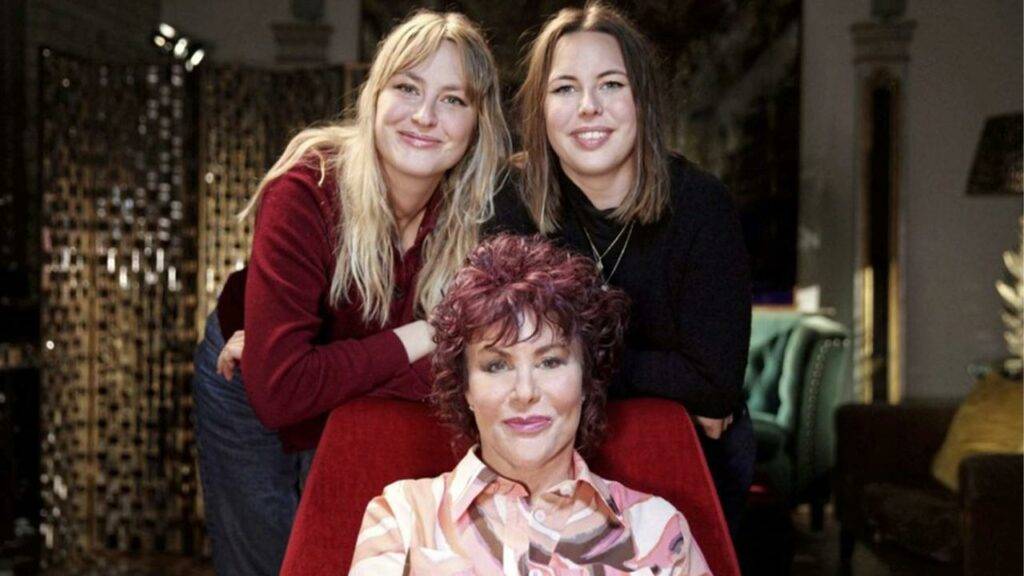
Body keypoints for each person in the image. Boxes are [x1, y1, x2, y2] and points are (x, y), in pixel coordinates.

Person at [191, 10, 509, 575]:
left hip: (333, 381)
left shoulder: (484, 211)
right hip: (242, 385)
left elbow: (471, 374)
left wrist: (301, 370)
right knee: (263, 559)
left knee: (344, 553)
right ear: (374, 96)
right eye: (407, 87)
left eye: (453, 100)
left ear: (478, 121)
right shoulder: (308, 188)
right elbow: (279, 393)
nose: (424, 116)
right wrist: (424, 335)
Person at [491, 1, 755, 538]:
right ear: (540, 109)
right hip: (543, 456)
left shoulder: (701, 204)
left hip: (687, 463)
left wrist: (562, 362)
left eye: (611, 84)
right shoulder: (510, 201)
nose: (589, 106)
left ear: (643, 100)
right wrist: (664, 378)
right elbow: (502, 362)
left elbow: (714, 383)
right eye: (564, 88)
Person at [350, 234, 712, 575]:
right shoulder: (402, 517)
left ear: (586, 380)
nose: (525, 392)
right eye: (497, 365)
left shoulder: (657, 529)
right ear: (466, 389)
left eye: (550, 361)